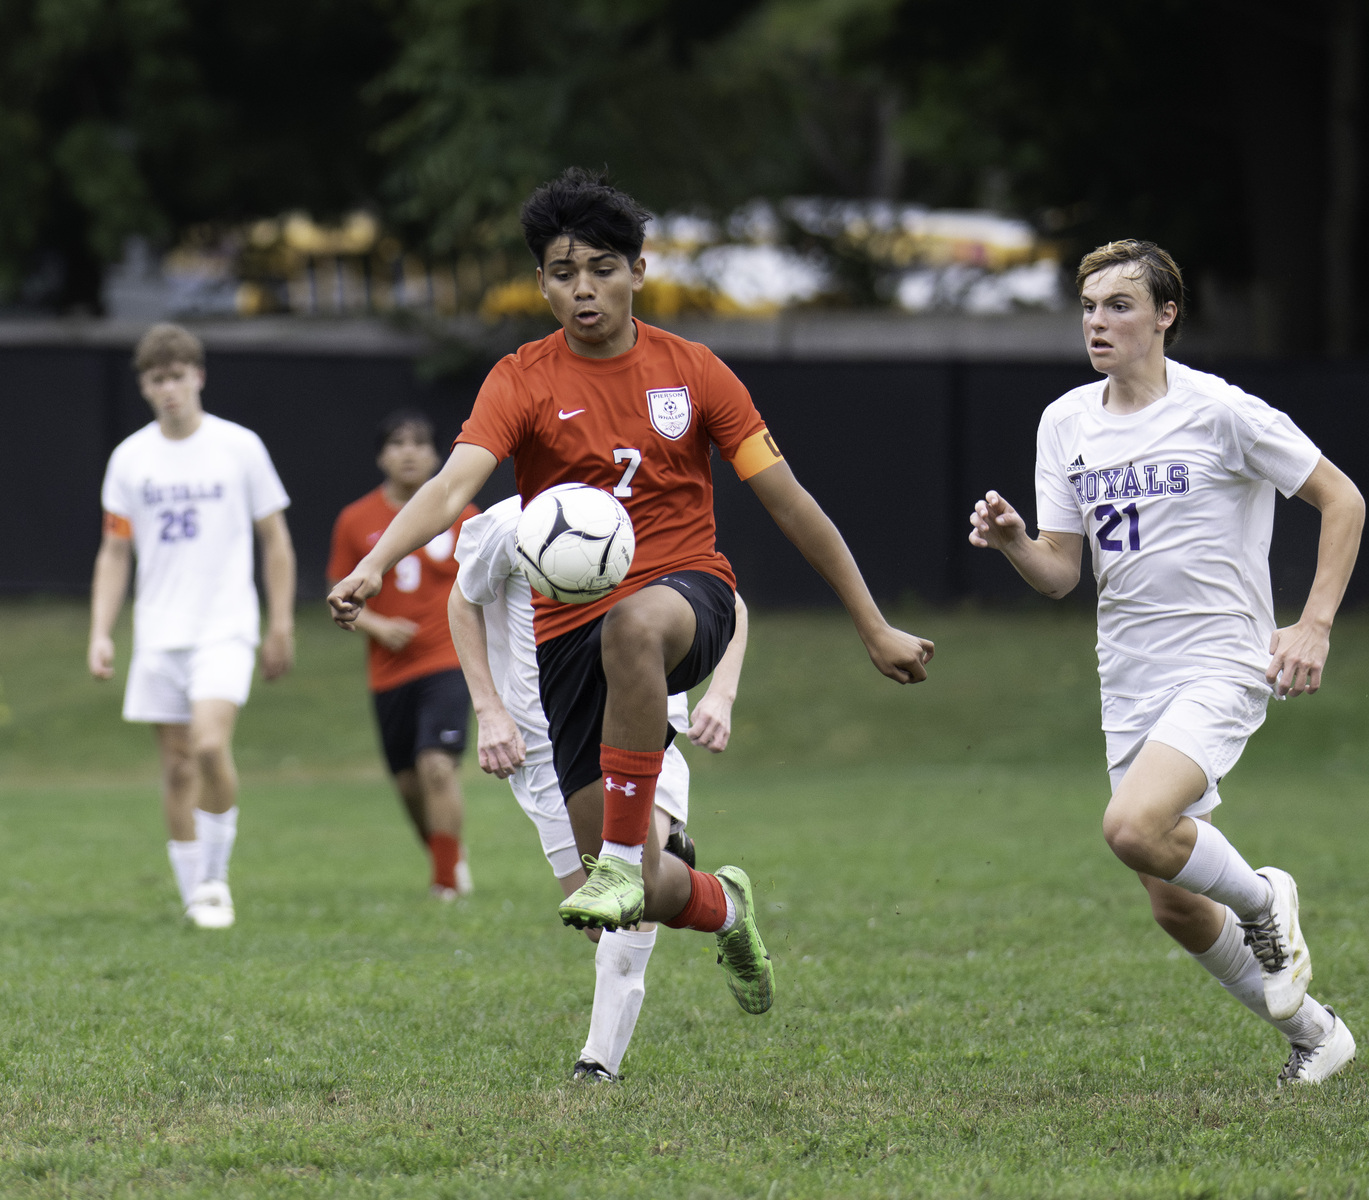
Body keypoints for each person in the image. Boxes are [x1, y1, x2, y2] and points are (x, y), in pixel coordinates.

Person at [329, 167, 933, 1026]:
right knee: (644, 890)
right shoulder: (521, 379)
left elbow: (791, 501)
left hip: (688, 597)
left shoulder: (694, 374)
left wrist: (873, 626)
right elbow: (454, 482)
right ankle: (723, 905)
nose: (585, 289)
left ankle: (619, 856)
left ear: (639, 272)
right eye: (565, 273)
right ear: (540, 283)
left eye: (604, 269)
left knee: (635, 623)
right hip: (565, 646)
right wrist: (376, 563)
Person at [970, 240, 1365, 1086]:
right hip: (1130, 674)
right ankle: (1317, 1035)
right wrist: (1013, 544)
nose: (1098, 322)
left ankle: (1265, 898)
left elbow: (1343, 498)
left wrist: (1315, 625)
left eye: (1119, 305)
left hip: (1222, 657)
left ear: (1165, 315)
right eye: (1088, 307)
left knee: (1131, 828)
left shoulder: (1220, 411)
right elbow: (1061, 574)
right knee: (1172, 896)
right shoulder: (1064, 421)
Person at [448, 495, 749, 1081]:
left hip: (635, 732)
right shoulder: (512, 522)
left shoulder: (645, 513)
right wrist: (489, 709)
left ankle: (598, 1064)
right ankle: (721, 902)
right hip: (542, 749)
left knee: (628, 891)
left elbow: (728, 600)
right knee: (599, 921)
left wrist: (722, 693)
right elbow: (462, 600)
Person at [88, 322, 296, 929]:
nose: (169, 388)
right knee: (177, 764)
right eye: (157, 379)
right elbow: (115, 551)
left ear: (197, 376)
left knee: (209, 743)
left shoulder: (239, 447)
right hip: (158, 629)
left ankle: (214, 878)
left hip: (225, 624)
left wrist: (280, 621)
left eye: (178, 375)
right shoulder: (130, 458)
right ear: (145, 387)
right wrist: (102, 631)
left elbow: (275, 541)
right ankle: (193, 894)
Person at [327, 410, 480, 898]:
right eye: (397, 443)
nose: (409, 452)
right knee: (410, 786)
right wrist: (375, 624)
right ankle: (450, 855)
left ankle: (445, 885)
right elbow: (340, 591)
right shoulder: (355, 519)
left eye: (419, 442)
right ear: (380, 456)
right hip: (390, 672)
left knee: (437, 765)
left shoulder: (469, 516)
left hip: (448, 661)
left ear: (438, 454)